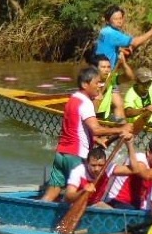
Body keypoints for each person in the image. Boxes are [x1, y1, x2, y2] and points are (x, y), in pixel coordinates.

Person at [41, 66, 132, 202]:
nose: (99, 86)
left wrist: (94, 139)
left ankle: (41, 211)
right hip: (77, 155)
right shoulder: (86, 103)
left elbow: (75, 126)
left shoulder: (72, 99)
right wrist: (121, 129)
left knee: (52, 192)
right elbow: (95, 128)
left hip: (61, 154)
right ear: (85, 84)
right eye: (96, 83)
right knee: (81, 196)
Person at [105, 136, 152, 210]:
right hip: (119, 200)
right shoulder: (139, 158)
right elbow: (146, 175)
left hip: (134, 203)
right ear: (148, 152)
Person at [94, 6, 152, 71]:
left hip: (97, 67)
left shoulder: (104, 30)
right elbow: (135, 42)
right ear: (108, 21)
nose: (119, 21)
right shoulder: (113, 34)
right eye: (115, 19)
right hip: (105, 70)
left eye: (120, 18)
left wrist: (119, 49)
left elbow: (106, 45)